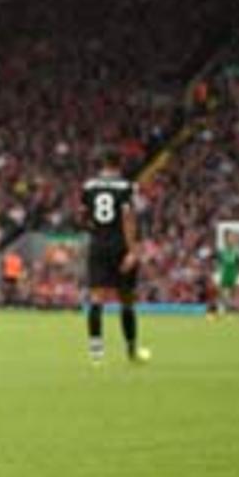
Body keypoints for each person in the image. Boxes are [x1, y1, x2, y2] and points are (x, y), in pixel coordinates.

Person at [82, 153, 150, 364]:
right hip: (119, 245)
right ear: (119, 164)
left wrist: (96, 234)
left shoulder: (89, 186)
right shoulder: (126, 187)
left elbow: (86, 216)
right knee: (127, 299)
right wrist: (132, 251)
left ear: (102, 163)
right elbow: (128, 218)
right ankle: (131, 350)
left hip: (98, 245)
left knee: (96, 298)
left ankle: (96, 353)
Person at [211, 237, 239, 319]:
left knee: (231, 295)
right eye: (230, 239)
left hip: (233, 275)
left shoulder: (237, 253)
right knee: (220, 294)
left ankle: (228, 312)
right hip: (223, 275)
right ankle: (216, 311)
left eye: (233, 239)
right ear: (226, 241)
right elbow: (215, 262)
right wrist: (216, 274)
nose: (232, 241)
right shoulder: (221, 252)